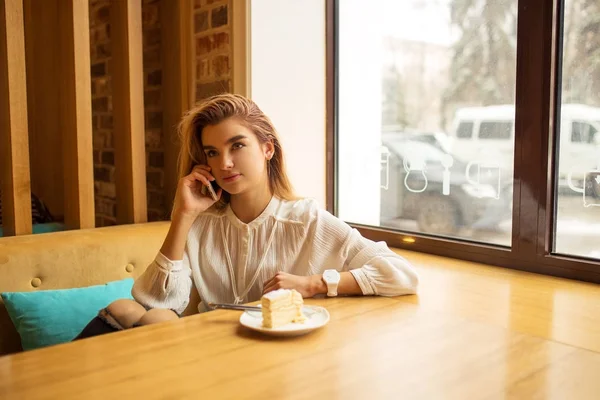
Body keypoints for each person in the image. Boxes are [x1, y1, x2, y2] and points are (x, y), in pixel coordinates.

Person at [74, 94, 419, 339]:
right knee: (129, 309)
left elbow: (401, 275)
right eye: (213, 152)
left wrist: (313, 284)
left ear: (267, 148)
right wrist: (183, 215)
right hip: (207, 350)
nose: (223, 163)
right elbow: (156, 300)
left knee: (151, 320)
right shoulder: (203, 222)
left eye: (237, 146)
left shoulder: (306, 220)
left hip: (271, 360)